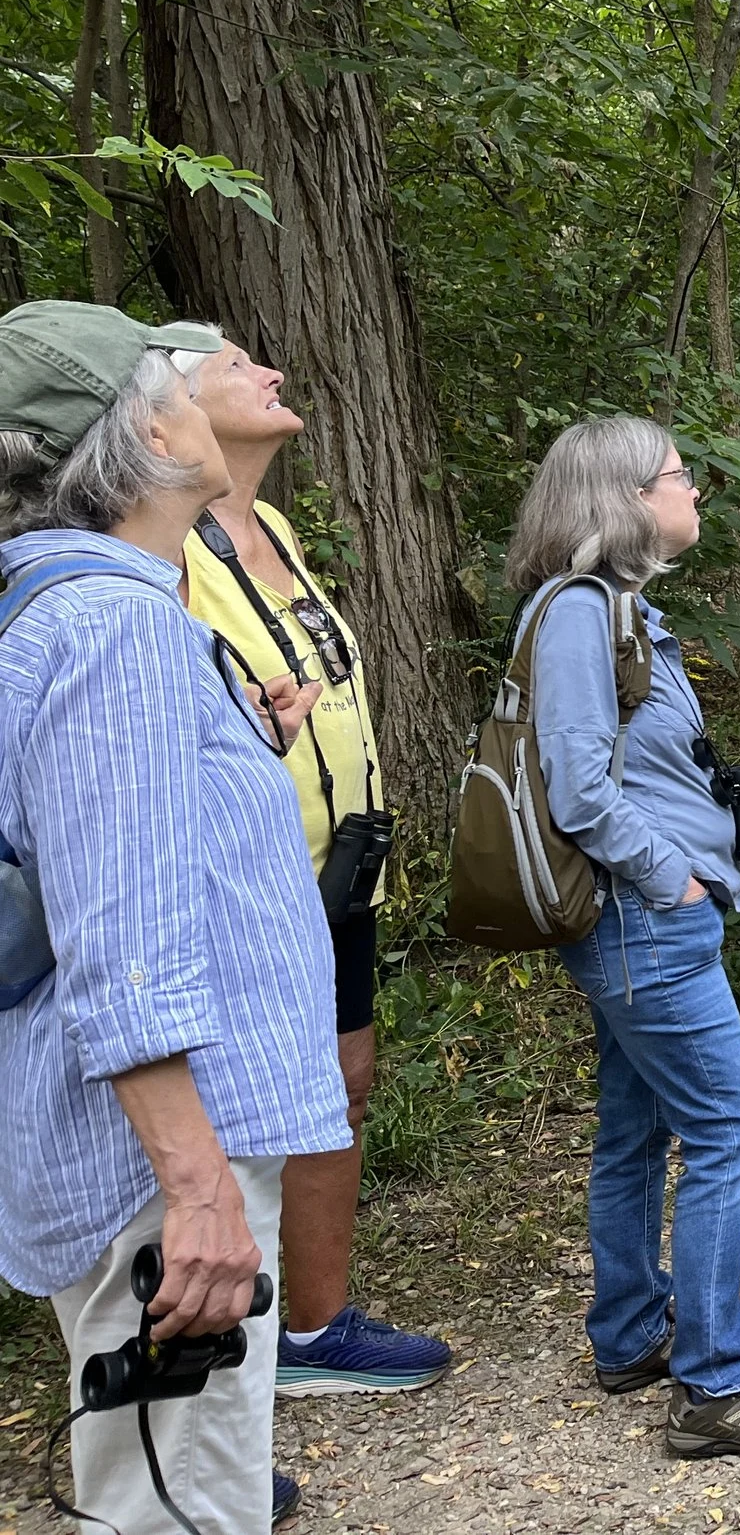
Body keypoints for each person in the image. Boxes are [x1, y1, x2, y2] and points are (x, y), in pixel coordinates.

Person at [0, 301, 349, 1532]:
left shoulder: (77, 615)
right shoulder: (111, 629)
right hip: (157, 1169)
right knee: (179, 1510)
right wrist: (196, 1190)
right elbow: (121, 943)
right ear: (144, 429)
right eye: (179, 384)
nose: (207, 397)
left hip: (143, 1148)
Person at [507, 418, 740, 1459]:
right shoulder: (576, 613)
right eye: (680, 478)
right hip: (643, 920)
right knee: (734, 1127)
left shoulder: (621, 613)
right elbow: (577, 785)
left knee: (637, 1132)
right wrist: (674, 880)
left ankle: (630, 1332)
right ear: (624, 498)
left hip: (644, 923)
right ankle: (714, 1383)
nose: (696, 494)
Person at [180, 339, 453, 1399]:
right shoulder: (167, 551)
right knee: (242, 1109)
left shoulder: (277, 529)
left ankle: (317, 1328)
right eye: (236, 363)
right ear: (171, 405)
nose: (271, 372)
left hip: (342, 872)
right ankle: (214, 1380)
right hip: (250, 879)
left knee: (342, 1080)